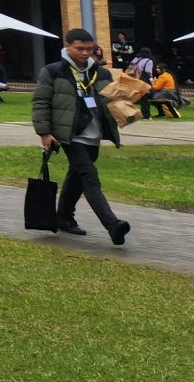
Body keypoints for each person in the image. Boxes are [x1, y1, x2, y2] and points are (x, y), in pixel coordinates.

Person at [33, 29, 130, 244]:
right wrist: (44, 132)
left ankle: (64, 217)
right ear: (67, 46)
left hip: (94, 133)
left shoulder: (101, 73)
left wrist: (131, 97)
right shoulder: (53, 71)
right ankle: (113, 225)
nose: (85, 53)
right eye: (80, 49)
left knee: (77, 176)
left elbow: (112, 101)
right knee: (89, 175)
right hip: (69, 134)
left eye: (90, 49)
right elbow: (41, 102)